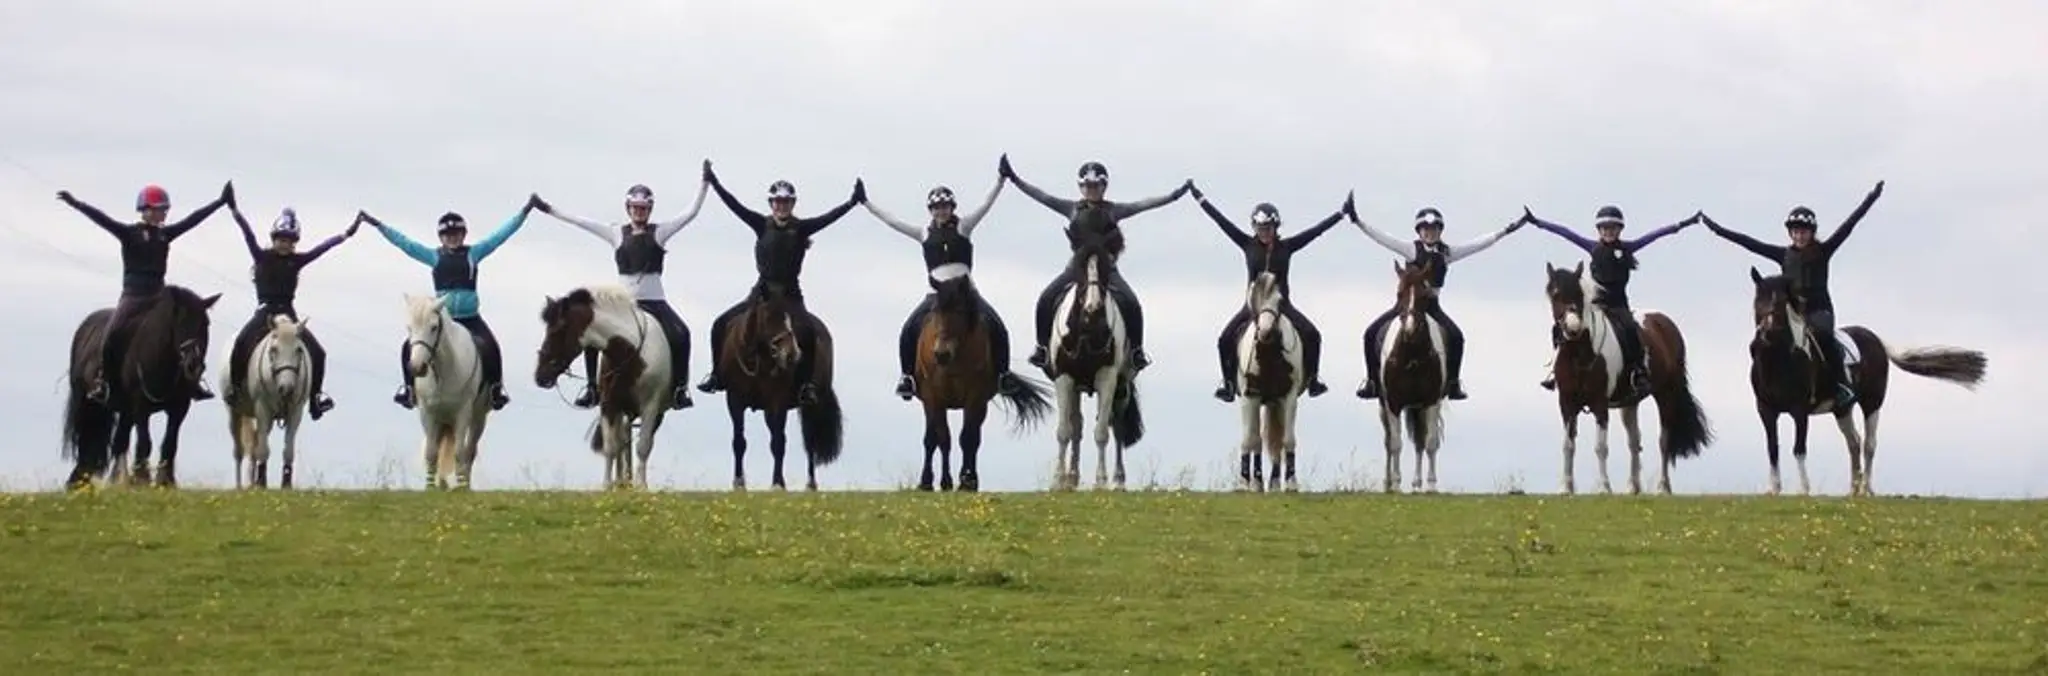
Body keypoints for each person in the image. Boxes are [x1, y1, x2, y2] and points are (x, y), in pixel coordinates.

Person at [1701, 180, 1885, 409]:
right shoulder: (1783, 255)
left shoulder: (1823, 251)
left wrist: (1871, 198)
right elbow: (1749, 243)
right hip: (1794, 314)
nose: (1799, 235)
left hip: (1820, 312)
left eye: (1804, 231)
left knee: (1824, 336)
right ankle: (1768, 388)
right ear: (1790, 233)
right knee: (1762, 340)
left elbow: (1849, 225)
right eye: (1796, 231)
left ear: (1811, 233)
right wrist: (1717, 230)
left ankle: (1841, 385)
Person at [534, 173, 710, 411]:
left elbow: (690, 214)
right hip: (623, 305)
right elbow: (580, 222)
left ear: (650, 209)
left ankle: (679, 389)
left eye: (644, 208)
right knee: (592, 336)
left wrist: (704, 184)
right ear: (628, 208)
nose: (640, 212)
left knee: (682, 335)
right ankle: (592, 388)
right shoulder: (616, 233)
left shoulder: (660, 232)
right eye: (636, 208)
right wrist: (548, 209)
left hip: (655, 302)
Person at [1000, 155, 1191, 373]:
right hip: (1076, 270)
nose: (1091, 189)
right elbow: (1042, 196)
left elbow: (1143, 204)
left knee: (1132, 303)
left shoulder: (1113, 210)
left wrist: (1173, 196)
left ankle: (1137, 351)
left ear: (1104, 186)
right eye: (1087, 186)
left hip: (1106, 270)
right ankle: (1042, 347)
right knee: (1045, 298)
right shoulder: (1071, 208)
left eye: (1095, 186)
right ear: (1081, 187)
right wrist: (1014, 179)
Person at [694, 162, 864, 405]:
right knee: (720, 324)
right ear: (771, 204)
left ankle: (805, 386)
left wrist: (851, 202)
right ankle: (717, 375)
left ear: (792, 205)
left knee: (807, 332)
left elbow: (828, 218)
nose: (781, 206)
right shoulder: (760, 224)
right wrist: (715, 183)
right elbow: (735, 206)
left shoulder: (801, 228)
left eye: (786, 202)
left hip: (790, 297)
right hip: (761, 294)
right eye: (777, 202)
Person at [60, 181, 235, 404]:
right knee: (112, 334)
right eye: (160, 209)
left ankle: (191, 383)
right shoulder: (128, 233)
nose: (163, 214)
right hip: (133, 297)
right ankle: (104, 381)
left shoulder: (165, 235)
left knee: (182, 333)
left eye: (165, 209)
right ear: (146, 210)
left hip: (157, 298)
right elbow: (102, 220)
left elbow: (192, 221)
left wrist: (219, 203)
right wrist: (76, 203)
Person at [362, 196, 540, 411]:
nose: (452, 238)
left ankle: (495, 389)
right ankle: (409, 389)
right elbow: (405, 244)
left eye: (456, 234)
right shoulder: (433, 256)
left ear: (463, 235)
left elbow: (499, 236)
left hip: (470, 319)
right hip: (444, 320)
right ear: (441, 237)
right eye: (447, 235)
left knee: (492, 347)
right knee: (407, 347)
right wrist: (379, 226)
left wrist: (524, 212)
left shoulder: (474, 253)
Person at [862, 170, 1028, 401]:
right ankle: (907, 377)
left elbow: (986, 204)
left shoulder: (964, 226)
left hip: (966, 293)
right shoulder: (923, 233)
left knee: (997, 325)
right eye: (937, 207)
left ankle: (1003, 374)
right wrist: (867, 203)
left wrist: (1000, 180)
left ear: (952, 207)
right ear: (931, 211)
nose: (942, 211)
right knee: (909, 329)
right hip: (935, 295)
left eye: (946, 206)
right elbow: (892, 221)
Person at [1348, 202, 1524, 401]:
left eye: (1434, 229)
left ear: (1440, 231)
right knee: (1370, 333)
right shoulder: (1410, 249)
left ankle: (1453, 383)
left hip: (1431, 306)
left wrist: (1505, 232)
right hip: (1406, 307)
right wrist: (1358, 222)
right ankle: (1372, 381)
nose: (1430, 233)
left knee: (1457, 337)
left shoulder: (1447, 253)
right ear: (1419, 232)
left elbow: (1477, 245)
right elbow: (1383, 239)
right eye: (1426, 230)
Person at [1193, 185, 1349, 402]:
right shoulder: (1247, 244)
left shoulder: (1287, 247)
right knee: (1224, 339)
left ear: (1275, 227)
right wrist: (1201, 200)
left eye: (1267, 228)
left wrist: (1340, 215)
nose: (1264, 232)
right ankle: (1228, 383)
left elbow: (1315, 232)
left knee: (1313, 334)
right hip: (1252, 307)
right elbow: (1221, 222)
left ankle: (1313, 379)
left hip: (1282, 305)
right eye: (1260, 228)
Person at [1527, 205, 1699, 394]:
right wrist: (1538, 223)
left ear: (1619, 230)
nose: (1609, 232)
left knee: (1630, 330)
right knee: (1562, 326)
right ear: (1599, 230)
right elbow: (1565, 233)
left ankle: (1638, 371)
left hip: (1618, 305)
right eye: (1605, 228)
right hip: (1595, 305)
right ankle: (1554, 371)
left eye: (1613, 228)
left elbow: (1654, 236)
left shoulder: (1627, 248)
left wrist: (1681, 225)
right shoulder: (1593, 247)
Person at [222, 205, 360, 419]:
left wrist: (345, 235)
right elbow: (248, 235)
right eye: (281, 239)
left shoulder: (296, 261)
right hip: (265, 313)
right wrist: (236, 213)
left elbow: (321, 249)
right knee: (241, 342)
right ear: (274, 238)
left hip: (289, 314)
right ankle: (235, 388)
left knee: (319, 352)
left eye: (289, 241)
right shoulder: (261, 256)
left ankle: (315, 398)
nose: (285, 244)